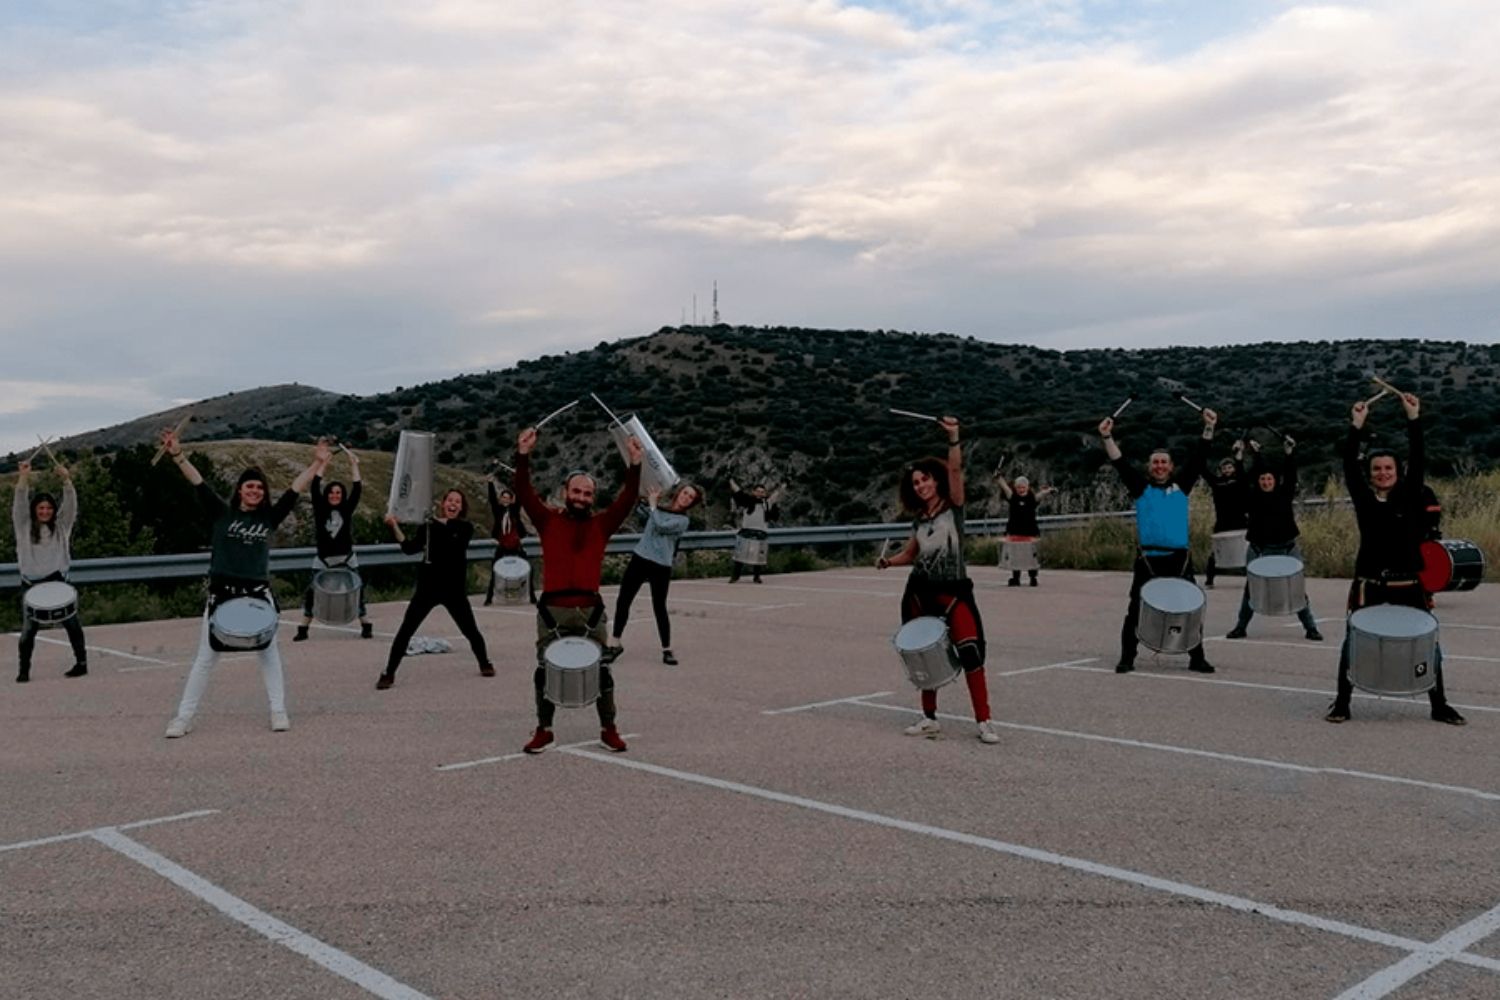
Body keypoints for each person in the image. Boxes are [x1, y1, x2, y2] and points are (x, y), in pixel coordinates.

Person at [161, 431, 323, 737]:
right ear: (239, 490)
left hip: (257, 597)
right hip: (221, 596)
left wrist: (316, 464)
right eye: (250, 486)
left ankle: (278, 711)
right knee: (205, 660)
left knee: (269, 655)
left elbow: (294, 489)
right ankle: (182, 718)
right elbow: (197, 482)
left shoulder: (269, 519)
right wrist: (178, 455)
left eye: (260, 488)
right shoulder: (222, 512)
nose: (255, 491)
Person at [1325, 394, 1465, 725]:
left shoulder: (1410, 492)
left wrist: (1413, 418)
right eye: (1377, 469)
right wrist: (1356, 426)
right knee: (1353, 642)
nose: (1383, 473)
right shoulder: (1363, 498)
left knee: (1428, 642)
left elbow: (1419, 457)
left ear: (1397, 471)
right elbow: (1348, 464)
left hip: (1408, 581)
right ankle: (1342, 703)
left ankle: (1439, 705)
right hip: (1370, 583)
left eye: (1388, 468)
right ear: (1370, 474)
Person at [514, 424, 643, 754]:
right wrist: (523, 455)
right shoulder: (548, 521)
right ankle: (544, 729)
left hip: (590, 611)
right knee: (544, 670)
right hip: (552, 611)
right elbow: (524, 492)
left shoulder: (602, 525)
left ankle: (608, 728)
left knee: (602, 672)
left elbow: (627, 500)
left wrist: (635, 464)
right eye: (576, 492)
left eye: (587, 494)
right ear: (565, 492)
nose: (582, 498)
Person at [877, 417, 999, 744]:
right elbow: (911, 554)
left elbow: (957, 471)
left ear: (936, 480)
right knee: (923, 655)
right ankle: (929, 718)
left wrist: (954, 437)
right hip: (919, 593)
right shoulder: (919, 519)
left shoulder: (954, 508)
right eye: (916, 483)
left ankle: (984, 720)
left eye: (925, 480)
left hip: (954, 592)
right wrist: (889, 561)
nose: (920, 486)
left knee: (970, 652)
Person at [1100, 408, 1217, 674]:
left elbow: (1199, 459)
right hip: (1148, 559)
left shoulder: (1182, 486)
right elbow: (1120, 463)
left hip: (1179, 558)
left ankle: (1196, 657)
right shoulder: (1140, 487)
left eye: (1164, 462)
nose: (1160, 466)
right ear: (1149, 466)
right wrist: (1107, 437)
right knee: (1135, 609)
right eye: (1155, 462)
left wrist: (1209, 428)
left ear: (1171, 466)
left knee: (1189, 609)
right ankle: (1127, 657)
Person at [376, 489, 495, 689]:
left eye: (458, 502)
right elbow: (409, 548)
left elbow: (453, 540)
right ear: (443, 503)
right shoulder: (429, 527)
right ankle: (388, 672)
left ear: (461, 507)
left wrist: (431, 522)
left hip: (453, 589)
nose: (453, 504)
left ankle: (485, 662)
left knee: (470, 630)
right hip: (427, 588)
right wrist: (394, 525)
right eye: (450, 500)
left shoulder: (465, 528)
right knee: (405, 631)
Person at [1223, 438, 1323, 640]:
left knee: (1296, 589)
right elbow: (1241, 482)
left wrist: (1289, 454)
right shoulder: (1252, 497)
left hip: (1288, 548)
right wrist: (1239, 459)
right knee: (1251, 589)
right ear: (1258, 482)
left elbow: (1291, 474)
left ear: (1275, 480)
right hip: (1259, 549)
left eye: (1269, 479)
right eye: (1262, 479)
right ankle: (1241, 627)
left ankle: (1311, 628)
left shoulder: (1284, 493)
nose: (1266, 482)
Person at [607, 482, 701, 666]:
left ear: (692, 503)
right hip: (640, 558)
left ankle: (667, 649)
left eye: (690, 497)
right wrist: (646, 500)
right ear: (679, 492)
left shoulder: (682, 521)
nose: (686, 497)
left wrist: (652, 505)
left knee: (659, 607)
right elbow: (647, 515)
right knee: (624, 600)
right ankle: (615, 643)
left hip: (661, 565)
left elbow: (661, 526)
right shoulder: (659, 508)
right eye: (685, 493)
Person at [12, 459, 88, 682]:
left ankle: (81, 663)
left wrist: (66, 479)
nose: (45, 511)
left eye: (48, 508)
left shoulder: (62, 526)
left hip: (58, 583)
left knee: (73, 624)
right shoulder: (23, 526)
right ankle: (24, 670)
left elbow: (72, 503)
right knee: (28, 631)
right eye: (40, 508)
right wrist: (23, 477)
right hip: (31, 585)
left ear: (54, 511)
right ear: (34, 510)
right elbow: (18, 503)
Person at [293, 445, 374, 640]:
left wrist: (353, 465)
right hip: (323, 559)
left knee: (357, 592)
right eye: (331, 492)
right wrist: (324, 463)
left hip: (346, 557)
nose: (335, 495)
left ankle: (366, 624)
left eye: (338, 493)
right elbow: (314, 486)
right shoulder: (320, 509)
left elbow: (357, 488)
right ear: (327, 494)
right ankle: (303, 629)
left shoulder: (347, 509)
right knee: (312, 592)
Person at [993, 471, 1054, 587]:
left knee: (1031, 555)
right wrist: (999, 478)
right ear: (1016, 488)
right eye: (1019, 487)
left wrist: (1048, 491)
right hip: (1015, 531)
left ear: (1027, 487)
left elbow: (1041, 495)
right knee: (1015, 555)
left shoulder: (1032, 499)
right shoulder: (1013, 498)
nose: (1021, 489)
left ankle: (1033, 577)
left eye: (1023, 487)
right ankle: (1016, 578)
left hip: (1030, 531)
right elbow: (1005, 488)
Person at [1202, 444, 1248, 588]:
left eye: (1230, 467)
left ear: (1233, 468)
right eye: (1224, 468)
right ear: (1220, 470)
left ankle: (1252, 579)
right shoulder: (1216, 482)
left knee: (1248, 550)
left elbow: (1241, 470)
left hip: (1241, 521)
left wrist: (1238, 456)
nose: (1227, 470)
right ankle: (1209, 580)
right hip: (1222, 522)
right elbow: (1203, 471)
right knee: (1216, 551)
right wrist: (1202, 454)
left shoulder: (1241, 480)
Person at [483, 476, 533, 605]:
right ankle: (489, 598)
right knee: (495, 571)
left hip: (516, 545)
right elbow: (492, 500)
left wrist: (518, 482)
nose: (505, 500)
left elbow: (520, 497)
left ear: (511, 500)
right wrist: (490, 484)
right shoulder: (498, 511)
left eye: (508, 498)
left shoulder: (514, 511)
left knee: (527, 569)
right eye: (503, 498)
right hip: (502, 545)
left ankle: (532, 597)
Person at [727, 478, 781, 583]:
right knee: (739, 556)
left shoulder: (767, 504)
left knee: (758, 558)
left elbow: (777, 495)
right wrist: (731, 481)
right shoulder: (747, 501)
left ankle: (757, 577)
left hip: (760, 531)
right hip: (746, 530)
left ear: (765, 494)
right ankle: (735, 576)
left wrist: (784, 484)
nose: (759, 494)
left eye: (762, 492)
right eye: (758, 491)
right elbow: (738, 491)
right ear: (753, 492)